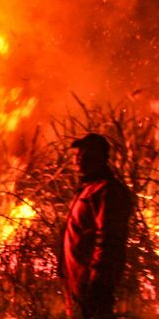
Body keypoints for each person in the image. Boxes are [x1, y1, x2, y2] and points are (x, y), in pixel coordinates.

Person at [62, 133, 134, 318]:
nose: (78, 159)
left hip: (92, 287)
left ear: (99, 157)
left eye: (84, 154)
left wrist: (98, 282)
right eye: (77, 154)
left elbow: (109, 239)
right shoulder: (88, 190)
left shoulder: (107, 191)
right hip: (77, 286)